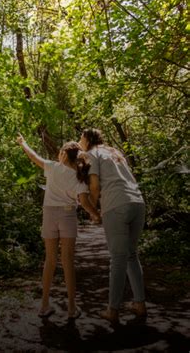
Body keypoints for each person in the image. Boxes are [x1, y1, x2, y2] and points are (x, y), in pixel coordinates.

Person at [17, 134, 100, 319]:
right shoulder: (80, 178)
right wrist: (96, 215)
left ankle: (44, 305)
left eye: (60, 151)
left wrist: (24, 143)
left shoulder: (53, 168)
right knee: (68, 261)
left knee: (50, 260)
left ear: (63, 154)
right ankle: (71, 308)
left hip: (49, 214)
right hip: (68, 215)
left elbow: (33, 157)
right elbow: (85, 202)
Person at [79, 128, 147, 324]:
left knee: (118, 258)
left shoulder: (91, 154)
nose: (80, 141)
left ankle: (113, 310)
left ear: (87, 139)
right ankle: (139, 304)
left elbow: (94, 186)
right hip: (137, 202)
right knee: (131, 255)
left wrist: (92, 209)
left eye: (81, 138)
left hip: (116, 205)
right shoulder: (115, 152)